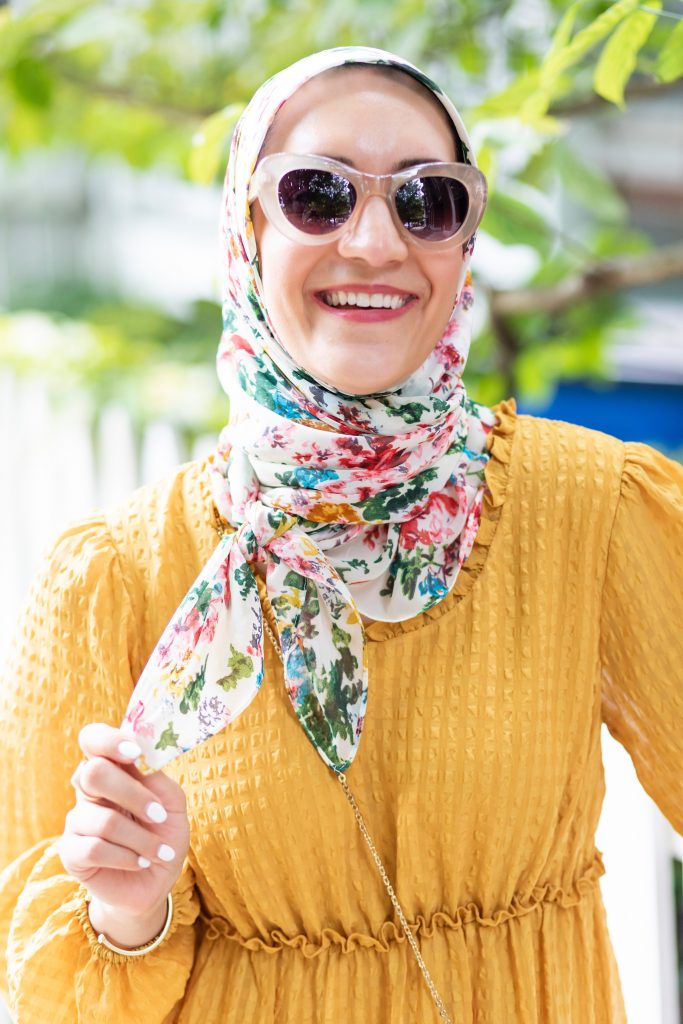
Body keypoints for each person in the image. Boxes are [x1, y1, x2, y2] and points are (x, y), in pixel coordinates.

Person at [0, 44, 681, 1024]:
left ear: (464, 243)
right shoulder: (115, 576)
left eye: (426, 201)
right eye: (316, 195)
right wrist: (129, 910)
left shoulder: (590, 508)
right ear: (247, 227)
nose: (372, 243)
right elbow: (48, 989)